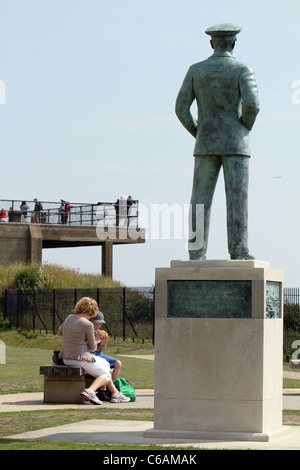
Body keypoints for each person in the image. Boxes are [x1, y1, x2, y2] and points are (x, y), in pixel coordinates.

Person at [175, 23, 260, 260]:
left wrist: (199, 132)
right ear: (234, 43)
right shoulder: (244, 69)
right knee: (237, 200)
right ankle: (240, 251)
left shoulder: (196, 70)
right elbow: (253, 106)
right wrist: (244, 126)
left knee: (199, 201)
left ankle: (196, 251)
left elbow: (181, 108)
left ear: (212, 43)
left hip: (206, 144)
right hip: (236, 144)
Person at [57, 297, 130, 405]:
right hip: (81, 358)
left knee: (105, 364)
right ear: (92, 311)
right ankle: (90, 391)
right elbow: (92, 348)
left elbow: (60, 332)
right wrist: (98, 341)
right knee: (106, 374)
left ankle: (115, 394)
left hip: (66, 358)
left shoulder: (69, 318)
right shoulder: (88, 324)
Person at [90, 312, 122, 383]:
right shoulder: (88, 332)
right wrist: (96, 338)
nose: (98, 326)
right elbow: (88, 347)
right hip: (91, 355)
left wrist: (104, 342)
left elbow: (100, 349)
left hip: (99, 354)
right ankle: (107, 386)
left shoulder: (99, 332)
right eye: (96, 324)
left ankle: (113, 384)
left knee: (118, 363)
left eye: (100, 324)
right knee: (106, 365)